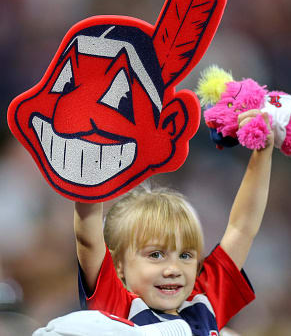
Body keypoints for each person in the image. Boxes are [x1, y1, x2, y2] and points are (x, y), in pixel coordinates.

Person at [74, 109, 273, 335]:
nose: (173, 269)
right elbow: (88, 239)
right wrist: (88, 171)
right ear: (118, 265)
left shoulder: (203, 302)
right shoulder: (118, 307)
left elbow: (242, 227)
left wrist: (262, 155)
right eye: (155, 255)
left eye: (185, 256)